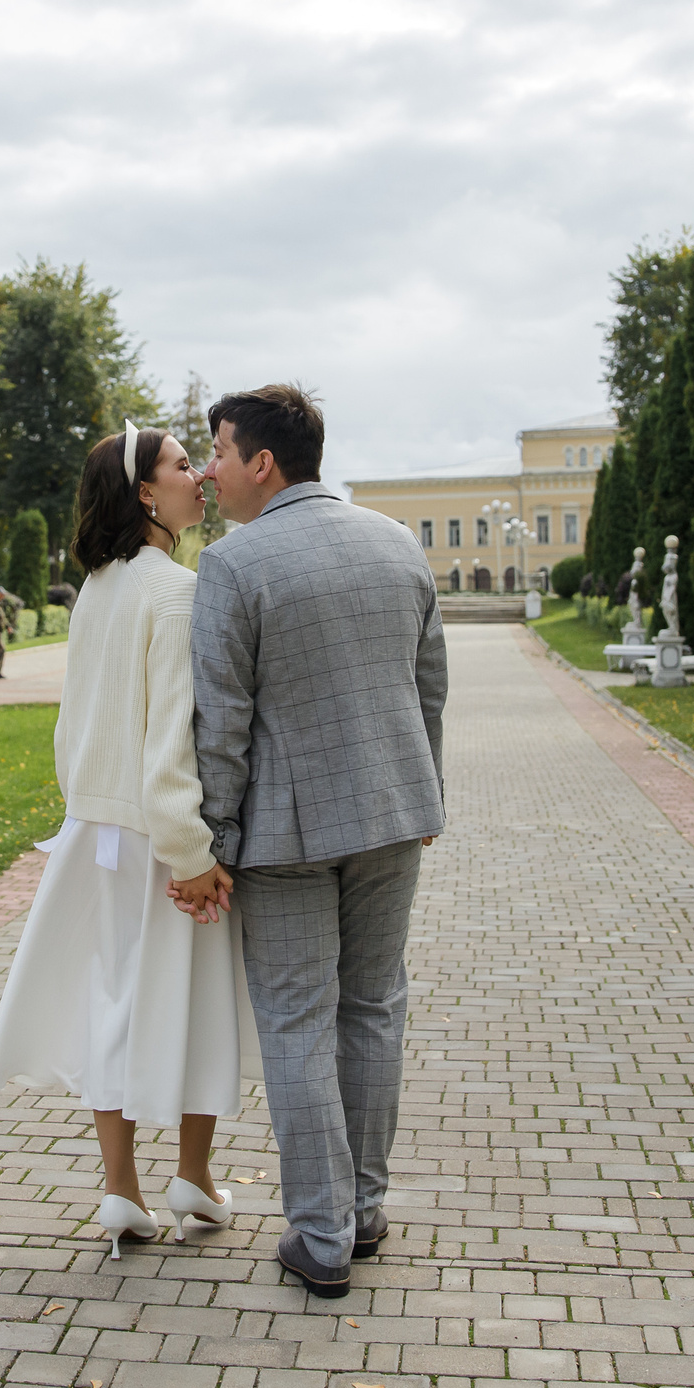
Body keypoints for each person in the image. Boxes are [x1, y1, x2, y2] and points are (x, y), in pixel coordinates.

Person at [188, 384, 446, 1298]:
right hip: (393, 817)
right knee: (374, 1005)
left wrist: (215, 840)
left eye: (219, 452)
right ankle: (363, 1211)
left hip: (284, 833)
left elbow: (221, 721)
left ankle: (322, 1234)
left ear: (262, 462)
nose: (209, 471)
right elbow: (429, 687)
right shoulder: (397, 543)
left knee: (298, 1019)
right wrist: (427, 791)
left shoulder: (232, 564)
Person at [0, 420, 256, 1258]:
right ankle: (193, 1174)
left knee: (113, 1001)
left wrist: (87, 807)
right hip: (157, 830)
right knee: (199, 997)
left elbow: (74, 727)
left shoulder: (97, 588)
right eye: (181, 465)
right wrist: (192, 854)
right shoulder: (176, 591)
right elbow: (172, 738)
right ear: (144, 492)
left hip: (94, 828)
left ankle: (120, 1186)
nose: (198, 476)